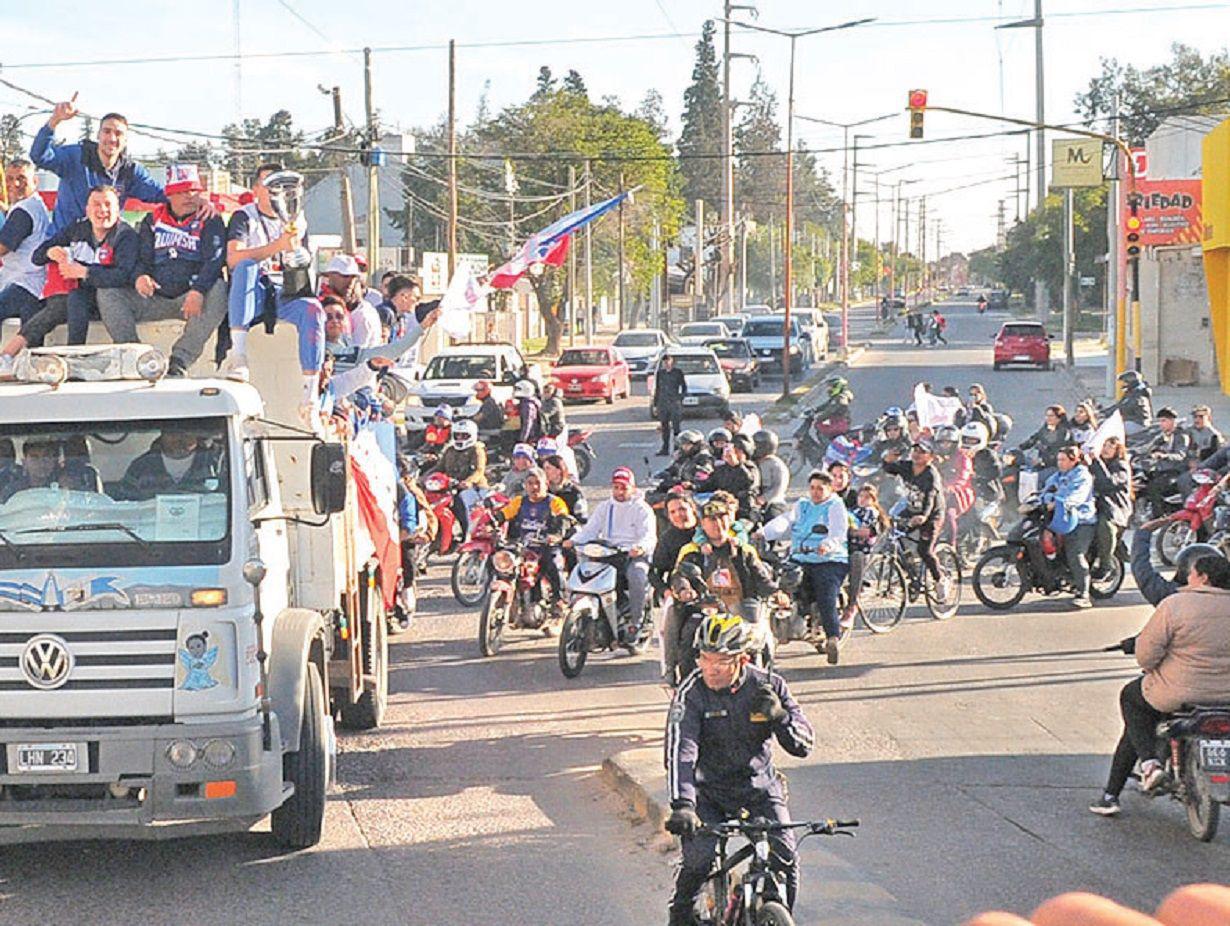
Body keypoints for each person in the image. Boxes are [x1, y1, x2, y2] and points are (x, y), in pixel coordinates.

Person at [664, 612, 814, 924]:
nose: (710, 668)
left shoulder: (769, 685)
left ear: (742, 659)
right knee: (698, 862)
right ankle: (679, 917)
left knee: (785, 859)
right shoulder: (691, 692)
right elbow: (682, 751)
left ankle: (773, 914)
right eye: (705, 658)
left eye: (721, 660)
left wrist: (780, 718)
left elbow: (804, 744)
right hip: (708, 795)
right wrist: (683, 805)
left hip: (759, 789)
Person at [1090, 555, 1230, 817]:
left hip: (1180, 695)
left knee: (1133, 700)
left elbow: (1146, 655)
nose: (1188, 578)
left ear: (1204, 578)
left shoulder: (1176, 604)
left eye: (1191, 574)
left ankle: (1148, 767)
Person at [96, 165, 228, 377]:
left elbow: (214, 260)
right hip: (154, 297)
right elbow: (141, 257)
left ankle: (180, 361)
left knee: (219, 289)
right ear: (170, 195)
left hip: (192, 298)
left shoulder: (209, 219)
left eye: (194, 191)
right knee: (108, 292)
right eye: (182, 191)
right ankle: (136, 358)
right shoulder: (152, 220)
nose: (189, 196)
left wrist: (198, 290)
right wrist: (141, 276)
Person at [220, 162, 326, 405]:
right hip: (253, 293)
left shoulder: (297, 221)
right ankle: (238, 356)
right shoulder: (244, 216)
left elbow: (306, 263)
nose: (275, 191)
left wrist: (298, 255)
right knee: (246, 267)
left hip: (286, 292)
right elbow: (233, 258)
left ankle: (309, 397)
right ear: (256, 188)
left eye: (281, 186)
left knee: (314, 309)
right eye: (269, 185)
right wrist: (276, 247)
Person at [0, 185, 139, 369]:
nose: (102, 210)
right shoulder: (78, 229)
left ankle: (72, 353)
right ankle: (12, 356)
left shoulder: (125, 235)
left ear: (118, 209)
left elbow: (123, 276)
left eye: (108, 205)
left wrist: (84, 272)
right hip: (77, 299)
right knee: (46, 302)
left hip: (112, 300)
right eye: (96, 204)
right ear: (87, 209)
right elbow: (37, 256)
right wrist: (51, 252)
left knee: (73, 298)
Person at [760, 470, 849, 663]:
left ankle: (832, 636)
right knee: (780, 583)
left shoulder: (835, 505)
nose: (816, 492)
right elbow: (785, 522)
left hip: (829, 559)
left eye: (820, 488)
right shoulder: (803, 505)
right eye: (813, 488)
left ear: (830, 489)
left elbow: (838, 533)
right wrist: (763, 533)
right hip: (800, 556)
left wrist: (827, 545)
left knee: (826, 594)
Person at [566, 466, 656, 627]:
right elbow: (590, 530)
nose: (620, 492)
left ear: (632, 488)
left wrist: (640, 548)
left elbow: (648, 536)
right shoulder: (605, 507)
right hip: (607, 553)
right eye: (616, 487)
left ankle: (636, 622)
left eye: (624, 488)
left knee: (637, 576)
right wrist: (573, 541)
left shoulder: (643, 509)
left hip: (632, 555)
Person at [495, 467, 573, 619]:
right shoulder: (519, 502)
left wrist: (556, 535)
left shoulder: (555, 502)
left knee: (554, 564)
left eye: (538, 483)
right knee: (502, 563)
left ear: (546, 484)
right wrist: (490, 524)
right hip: (524, 548)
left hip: (546, 547)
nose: (534, 487)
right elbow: (503, 514)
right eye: (530, 483)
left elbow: (563, 519)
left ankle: (559, 601)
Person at [882, 439, 947, 593]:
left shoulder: (931, 475)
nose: (917, 455)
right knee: (893, 537)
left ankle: (940, 580)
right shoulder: (907, 466)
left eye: (922, 452)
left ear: (931, 457)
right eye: (915, 451)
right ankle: (910, 571)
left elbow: (930, 497)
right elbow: (889, 468)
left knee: (924, 550)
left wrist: (923, 516)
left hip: (931, 514)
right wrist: (887, 460)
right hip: (911, 509)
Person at [1039, 446, 1098, 608]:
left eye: (1063, 460)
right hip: (1060, 519)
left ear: (1074, 460)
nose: (1060, 463)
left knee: (1075, 554)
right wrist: (1042, 498)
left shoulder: (1082, 475)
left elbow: (1076, 497)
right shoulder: (1058, 475)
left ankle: (1084, 593)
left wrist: (1058, 502)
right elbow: (1046, 489)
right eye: (1058, 459)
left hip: (1081, 520)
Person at [0, 160, 50, 325]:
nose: (14, 183)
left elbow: (2, 248)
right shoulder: (35, 204)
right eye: (9, 178)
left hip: (24, 284)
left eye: (21, 178)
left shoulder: (23, 211)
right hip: (32, 283)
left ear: (35, 181)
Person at [115, 429, 223, 500]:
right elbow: (126, 504)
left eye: (186, 433)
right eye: (173, 433)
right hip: (148, 533)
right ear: (162, 434)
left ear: (197, 435)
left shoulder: (217, 462)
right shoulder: (140, 467)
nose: (179, 439)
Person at [844, 483, 889, 628]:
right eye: (861, 496)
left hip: (861, 548)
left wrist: (850, 531)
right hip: (847, 544)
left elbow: (864, 531)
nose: (862, 499)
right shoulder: (853, 510)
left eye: (867, 497)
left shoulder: (870, 512)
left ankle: (853, 602)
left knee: (855, 560)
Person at [1090, 435, 1131, 580]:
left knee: (1105, 525)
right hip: (1093, 504)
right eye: (1104, 445)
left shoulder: (1120, 466)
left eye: (1110, 446)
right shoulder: (1095, 464)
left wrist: (1096, 461)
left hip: (1114, 508)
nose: (1105, 449)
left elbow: (1109, 483)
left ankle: (1105, 564)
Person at [696, 433, 761, 522]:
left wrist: (736, 465)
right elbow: (710, 483)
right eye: (732, 451)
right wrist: (693, 486)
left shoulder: (749, 467)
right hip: (722, 508)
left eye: (737, 452)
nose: (733, 454)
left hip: (744, 510)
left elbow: (749, 482)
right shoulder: (722, 468)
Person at [1018, 404, 1071, 471]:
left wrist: (1043, 461)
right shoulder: (1045, 429)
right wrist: (1019, 448)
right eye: (1047, 415)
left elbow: (1056, 451)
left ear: (1059, 418)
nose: (1048, 418)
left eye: (1051, 416)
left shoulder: (1064, 433)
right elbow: (1033, 439)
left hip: (1056, 467)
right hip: (1042, 464)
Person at [653, 353, 687, 455]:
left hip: (674, 403)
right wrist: (655, 404)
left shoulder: (677, 372)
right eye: (664, 362)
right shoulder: (660, 373)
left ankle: (677, 448)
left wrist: (680, 398)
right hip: (663, 403)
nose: (666, 363)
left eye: (668, 361)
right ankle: (665, 448)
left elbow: (684, 386)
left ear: (672, 362)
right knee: (664, 426)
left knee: (676, 427)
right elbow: (657, 389)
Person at [752, 430, 789, 521]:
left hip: (773, 501)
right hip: (753, 500)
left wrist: (763, 498)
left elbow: (779, 487)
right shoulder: (752, 462)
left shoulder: (776, 465)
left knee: (771, 519)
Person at [542, 454, 586, 524]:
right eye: (544, 469)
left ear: (558, 470)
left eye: (548, 468)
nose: (544, 472)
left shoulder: (574, 493)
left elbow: (582, 519)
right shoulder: (542, 490)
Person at [1107, 370, 1153, 435]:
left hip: (1138, 424)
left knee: (1112, 431)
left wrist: (1112, 414)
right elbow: (1118, 405)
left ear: (1131, 383)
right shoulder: (1130, 393)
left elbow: (1123, 408)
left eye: (1125, 382)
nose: (1123, 384)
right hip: (1131, 421)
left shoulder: (1138, 396)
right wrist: (1102, 412)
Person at [513, 379, 543, 445]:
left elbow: (527, 424)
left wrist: (522, 440)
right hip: (531, 436)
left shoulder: (527, 405)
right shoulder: (528, 402)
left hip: (530, 437)